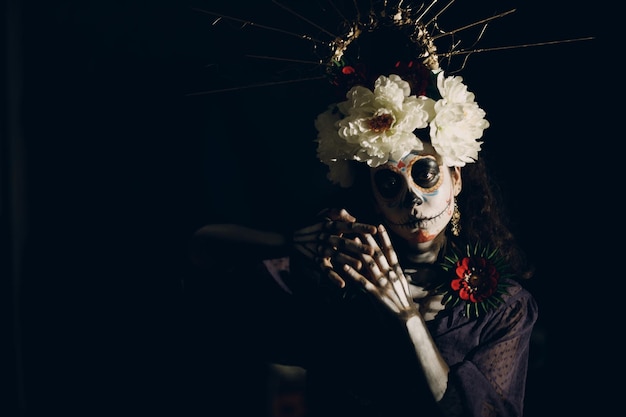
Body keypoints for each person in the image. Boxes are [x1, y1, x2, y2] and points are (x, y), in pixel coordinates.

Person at [190, 3, 538, 416]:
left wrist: (408, 318)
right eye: (390, 184)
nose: (411, 198)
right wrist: (291, 245)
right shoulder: (342, 276)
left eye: (425, 173)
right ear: (372, 198)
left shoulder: (506, 306)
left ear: (456, 178)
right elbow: (202, 257)